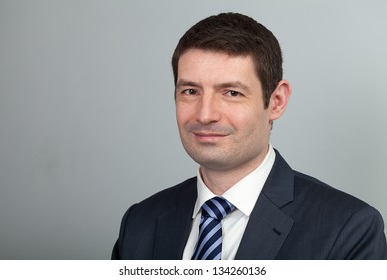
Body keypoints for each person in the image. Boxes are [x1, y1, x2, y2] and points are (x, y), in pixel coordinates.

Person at [112, 12, 387, 260]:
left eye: (231, 93)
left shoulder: (348, 228)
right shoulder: (140, 222)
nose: (205, 114)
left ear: (276, 101)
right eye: (190, 91)